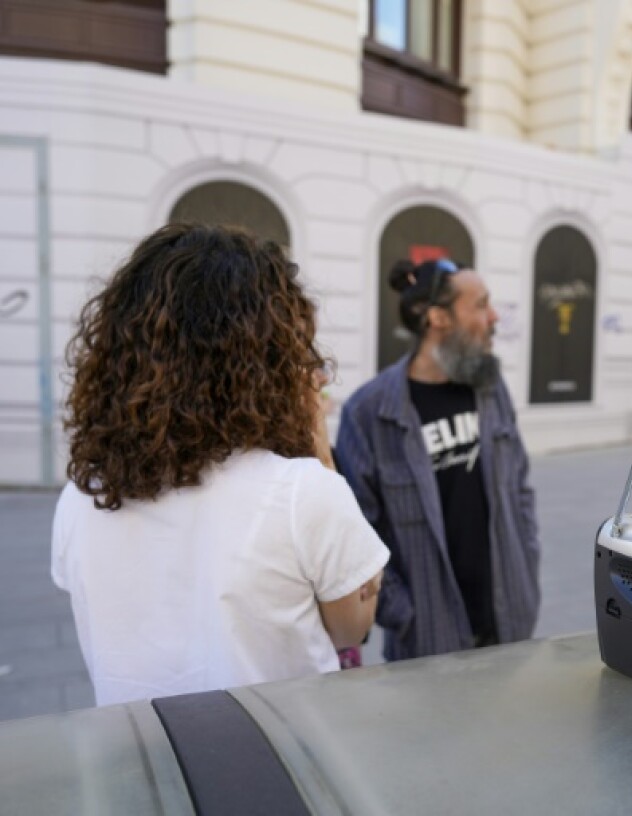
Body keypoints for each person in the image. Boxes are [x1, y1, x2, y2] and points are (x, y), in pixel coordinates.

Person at [51, 224, 388, 707]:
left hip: (139, 758)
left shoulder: (83, 494)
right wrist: (319, 448)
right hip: (275, 758)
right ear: (267, 359)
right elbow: (350, 629)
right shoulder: (302, 492)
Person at [335, 258, 540, 660]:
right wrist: (404, 614)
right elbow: (359, 532)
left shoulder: (490, 389)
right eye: (480, 305)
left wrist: (526, 576)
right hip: (427, 644)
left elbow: (519, 488)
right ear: (437, 318)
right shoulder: (369, 412)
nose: (494, 317)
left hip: (509, 626)